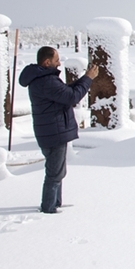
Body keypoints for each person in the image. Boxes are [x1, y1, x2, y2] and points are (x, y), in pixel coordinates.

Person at [18, 47, 98, 214]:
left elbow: (65, 92)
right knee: (55, 173)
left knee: (58, 170)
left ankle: (56, 202)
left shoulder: (43, 78)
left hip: (51, 130)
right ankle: (48, 207)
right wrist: (88, 79)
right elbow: (72, 97)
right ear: (47, 62)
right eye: (56, 60)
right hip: (53, 132)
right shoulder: (46, 81)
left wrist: (84, 78)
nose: (59, 63)